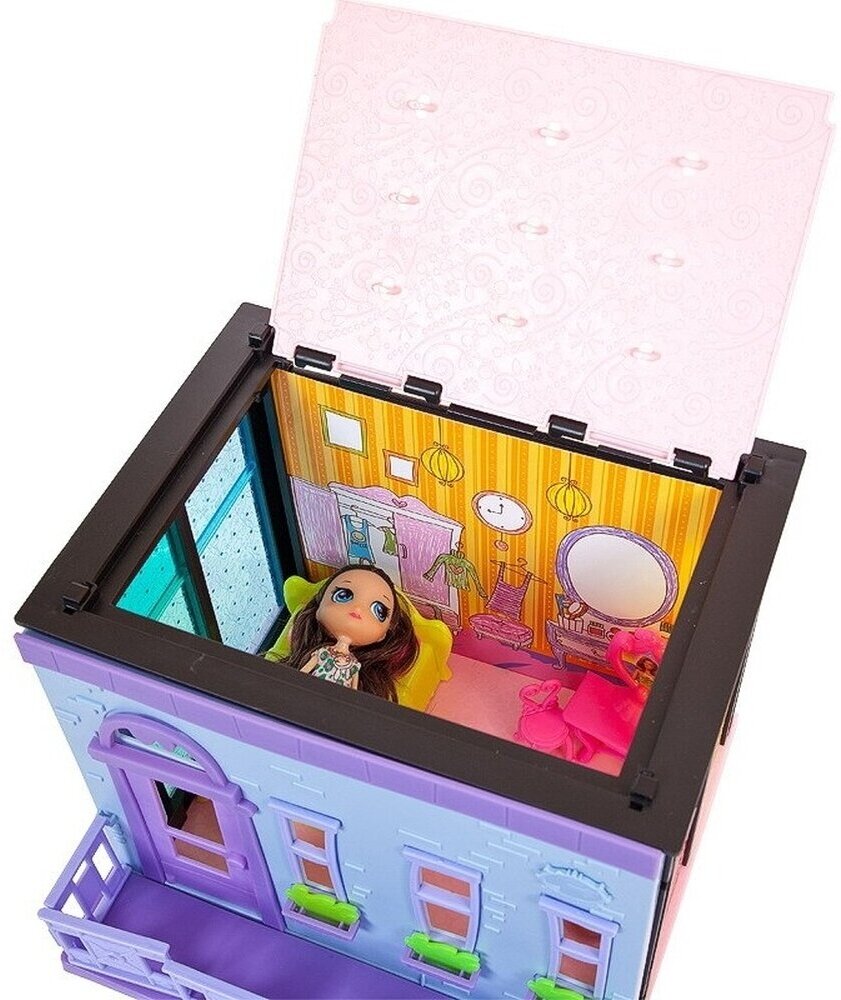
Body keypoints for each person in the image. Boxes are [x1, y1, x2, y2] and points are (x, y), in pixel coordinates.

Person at [270, 565, 418, 701]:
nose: (357, 609)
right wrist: (292, 686)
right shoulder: (322, 653)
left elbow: (354, 691)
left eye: (378, 610)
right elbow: (302, 672)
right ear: (318, 609)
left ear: (383, 635)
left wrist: (352, 704)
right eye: (343, 595)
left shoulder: (353, 664)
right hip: (306, 694)